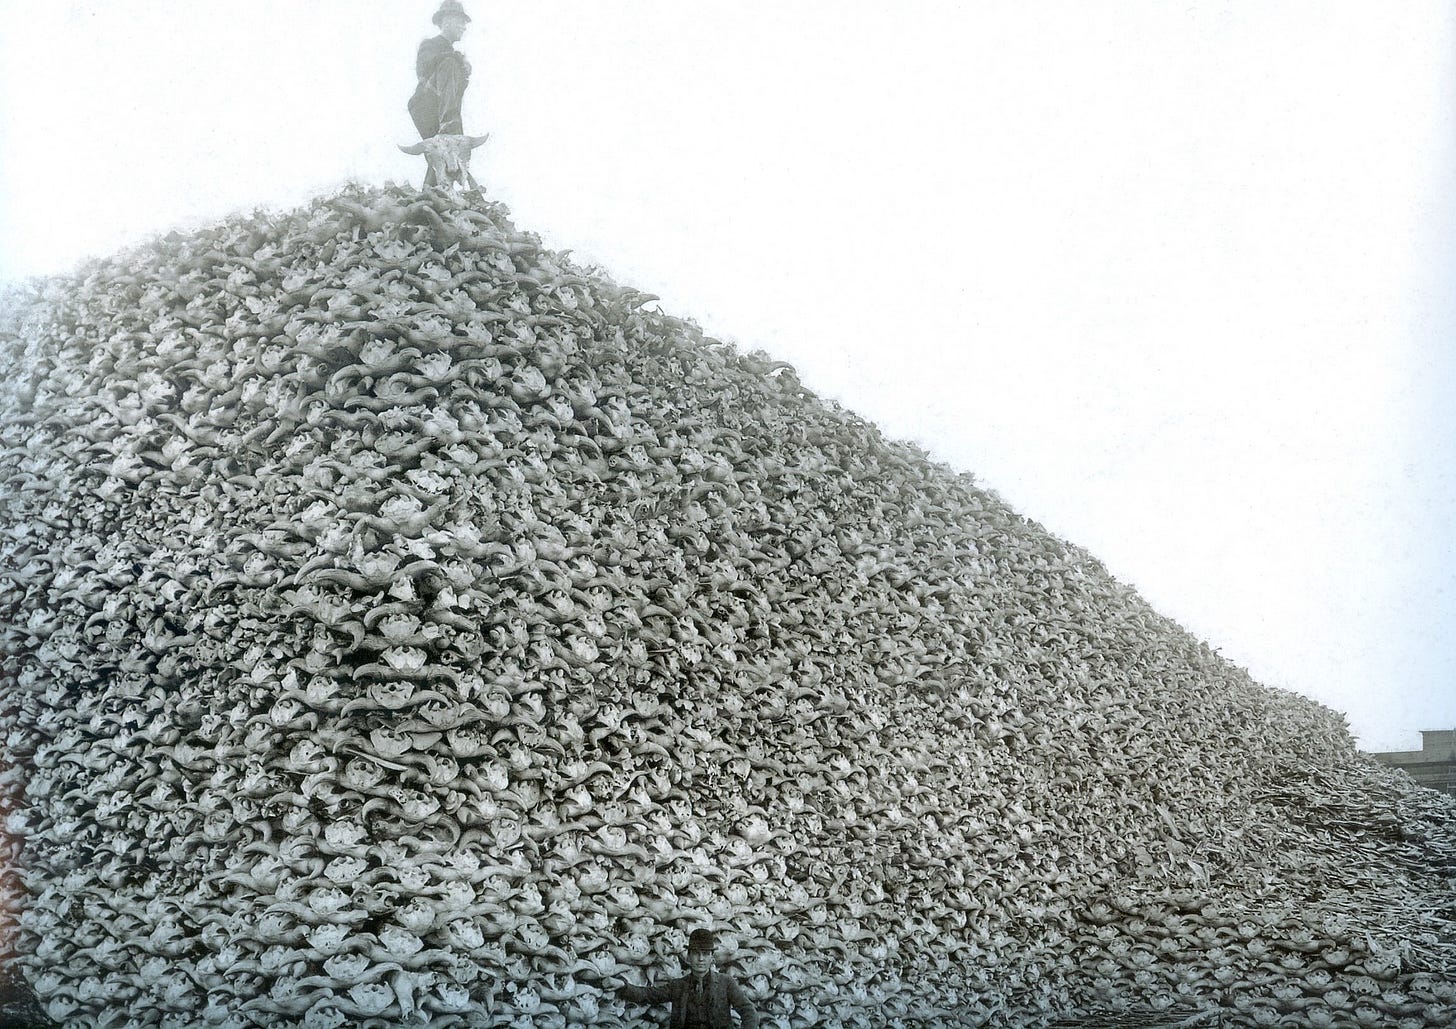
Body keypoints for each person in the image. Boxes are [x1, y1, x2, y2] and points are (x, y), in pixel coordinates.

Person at [613, 928, 760, 1029]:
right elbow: (648, 995)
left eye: (705, 954)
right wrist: (622, 985)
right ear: (688, 957)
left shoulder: (725, 982)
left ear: (712, 958)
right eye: (696, 953)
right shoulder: (678, 985)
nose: (701, 959)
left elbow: (748, 1010)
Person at [409, 0, 472, 141]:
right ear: (447, 21)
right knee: (449, 63)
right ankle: (450, 124)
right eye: (461, 22)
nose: (464, 28)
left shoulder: (453, 58)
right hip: (425, 108)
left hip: (439, 114)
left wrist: (463, 70)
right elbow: (423, 70)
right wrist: (456, 58)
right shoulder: (429, 44)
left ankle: (452, 129)